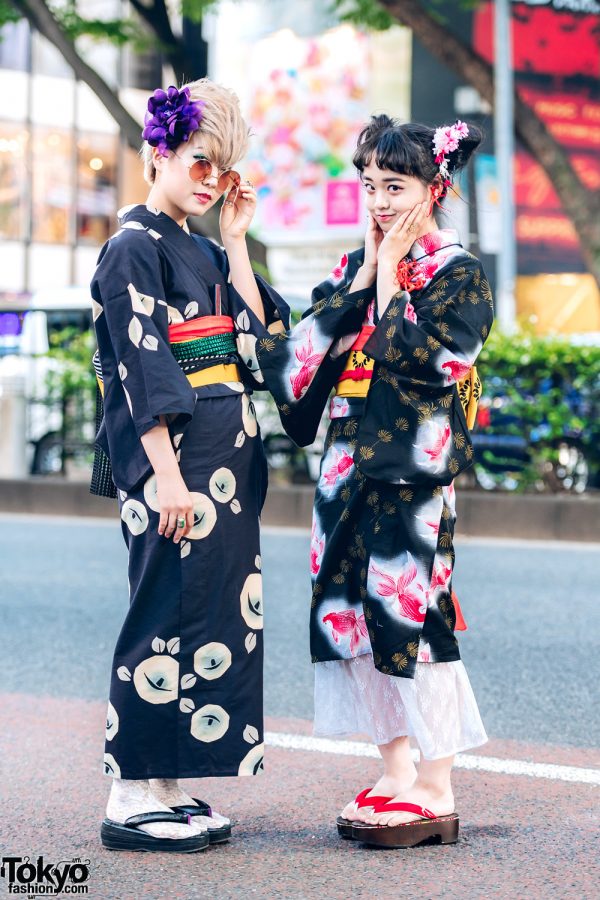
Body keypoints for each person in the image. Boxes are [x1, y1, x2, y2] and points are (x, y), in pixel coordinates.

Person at [257, 116, 492, 848]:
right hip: (345, 473)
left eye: (396, 186)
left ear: (434, 188)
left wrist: (391, 277)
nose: (380, 202)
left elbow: (435, 362)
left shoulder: (458, 274)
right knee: (349, 618)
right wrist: (363, 277)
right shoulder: (354, 267)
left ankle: (436, 786)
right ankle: (393, 772)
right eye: (370, 186)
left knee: (414, 622)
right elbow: (297, 366)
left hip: (413, 481)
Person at [91, 79, 288, 853]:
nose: (211, 180)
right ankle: (129, 791)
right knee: (160, 612)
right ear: (156, 155)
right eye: (199, 162)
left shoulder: (205, 247)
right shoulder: (131, 245)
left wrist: (237, 239)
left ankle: (167, 782)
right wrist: (165, 474)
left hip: (224, 468)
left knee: (206, 617)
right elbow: (141, 365)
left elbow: (258, 338)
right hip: (172, 464)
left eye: (222, 167)